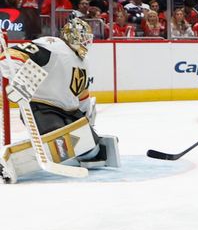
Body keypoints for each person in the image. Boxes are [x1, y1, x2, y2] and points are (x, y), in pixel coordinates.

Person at [0, 16, 120, 183]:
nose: (86, 43)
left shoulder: (83, 61)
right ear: (71, 35)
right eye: (82, 37)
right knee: (60, 145)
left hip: (70, 113)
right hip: (43, 109)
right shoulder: (53, 45)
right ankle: (12, 163)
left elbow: (82, 94)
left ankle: (81, 149)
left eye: (87, 39)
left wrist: (86, 118)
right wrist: (17, 78)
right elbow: (13, 55)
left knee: (90, 145)